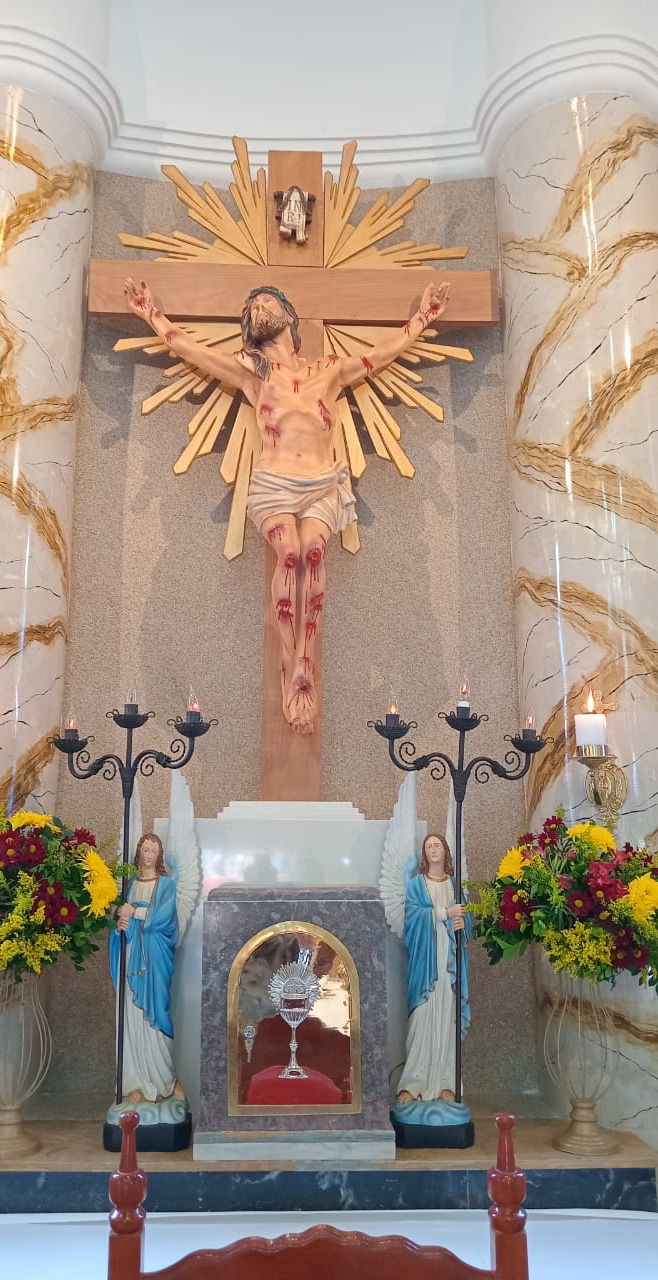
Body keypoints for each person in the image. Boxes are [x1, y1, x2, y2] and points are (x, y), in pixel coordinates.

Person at [124, 275, 450, 735]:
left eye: (266, 300)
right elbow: (196, 352)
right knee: (291, 554)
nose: (258, 305)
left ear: (289, 318)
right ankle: (288, 657)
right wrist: (152, 315)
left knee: (314, 554)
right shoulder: (253, 372)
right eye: (251, 305)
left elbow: (379, 355)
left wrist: (422, 319)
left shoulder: (328, 370)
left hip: (321, 482)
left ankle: (304, 660)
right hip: (274, 483)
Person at [396, 832, 471, 1104]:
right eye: (428, 846)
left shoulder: (454, 885)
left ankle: (447, 1084)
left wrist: (462, 923)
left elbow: (466, 922)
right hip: (425, 964)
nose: (433, 850)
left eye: (437, 845)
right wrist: (443, 914)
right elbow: (411, 921)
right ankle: (412, 1083)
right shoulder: (417, 885)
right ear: (424, 854)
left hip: (449, 967)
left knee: (447, 1020)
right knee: (422, 1019)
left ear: (446, 851)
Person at [109, 832, 183, 1104]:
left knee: (159, 1011)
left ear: (159, 856)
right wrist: (120, 927)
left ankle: (165, 1081)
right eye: (145, 849)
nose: (149, 854)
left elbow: (164, 919)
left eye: (154, 850)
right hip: (132, 958)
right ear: (138, 852)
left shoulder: (166, 885)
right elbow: (121, 922)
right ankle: (135, 1083)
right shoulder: (129, 885)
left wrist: (135, 913)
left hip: (155, 958)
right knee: (131, 1014)